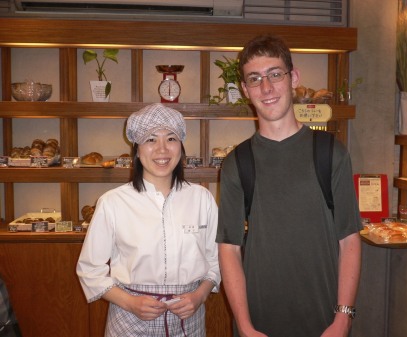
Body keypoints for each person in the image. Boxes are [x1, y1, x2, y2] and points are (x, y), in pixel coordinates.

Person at [216, 34, 362, 337]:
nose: (266, 88)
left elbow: (349, 240)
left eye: (275, 74)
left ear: (293, 77)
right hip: (259, 325)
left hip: (325, 324)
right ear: (245, 90)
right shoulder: (237, 163)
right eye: (254, 79)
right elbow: (228, 250)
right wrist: (244, 326)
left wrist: (343, 319)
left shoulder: (330, 152)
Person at [77, 103, 220, 337]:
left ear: (181, 146)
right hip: (130, 318)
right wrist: (130, 302)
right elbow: (90, 269)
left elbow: (215, 260)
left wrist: (200, 295)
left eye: (171, 139)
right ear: (137, 149)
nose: (162, 149)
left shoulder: (201, 198)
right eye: (151, 139)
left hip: (188, 318)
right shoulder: (113, 202)